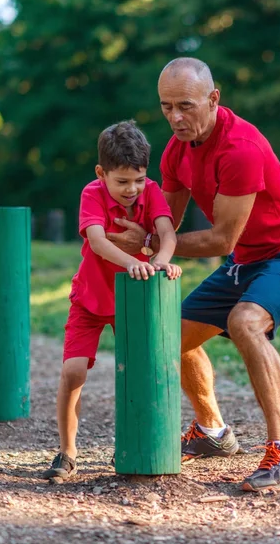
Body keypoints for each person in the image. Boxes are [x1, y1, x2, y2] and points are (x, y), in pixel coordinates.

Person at [107, 58, 280, 493]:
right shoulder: (176, 150)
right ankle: (212, 433)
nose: (175, 117)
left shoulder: (240, 147)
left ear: (213, 98)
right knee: (170, 334)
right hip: (244, 263)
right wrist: (126, 230)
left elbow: (222, 239)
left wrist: (151, 244)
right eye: (166, 106)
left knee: (244, 321)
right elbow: (163, 224)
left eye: (185, 106)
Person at [43, 120, 182, 483]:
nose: (132, 189)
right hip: (90, 297)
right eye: (122, 182)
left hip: (132, 301)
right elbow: (99, 242)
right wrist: (136, 261)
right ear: (101, 173)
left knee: (142, 370)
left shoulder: (150, 191)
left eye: (138, 179)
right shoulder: (92, 193)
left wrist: (161, 259)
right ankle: (67, 451)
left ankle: (143, 445)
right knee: (73, 370)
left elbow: (167, 234)